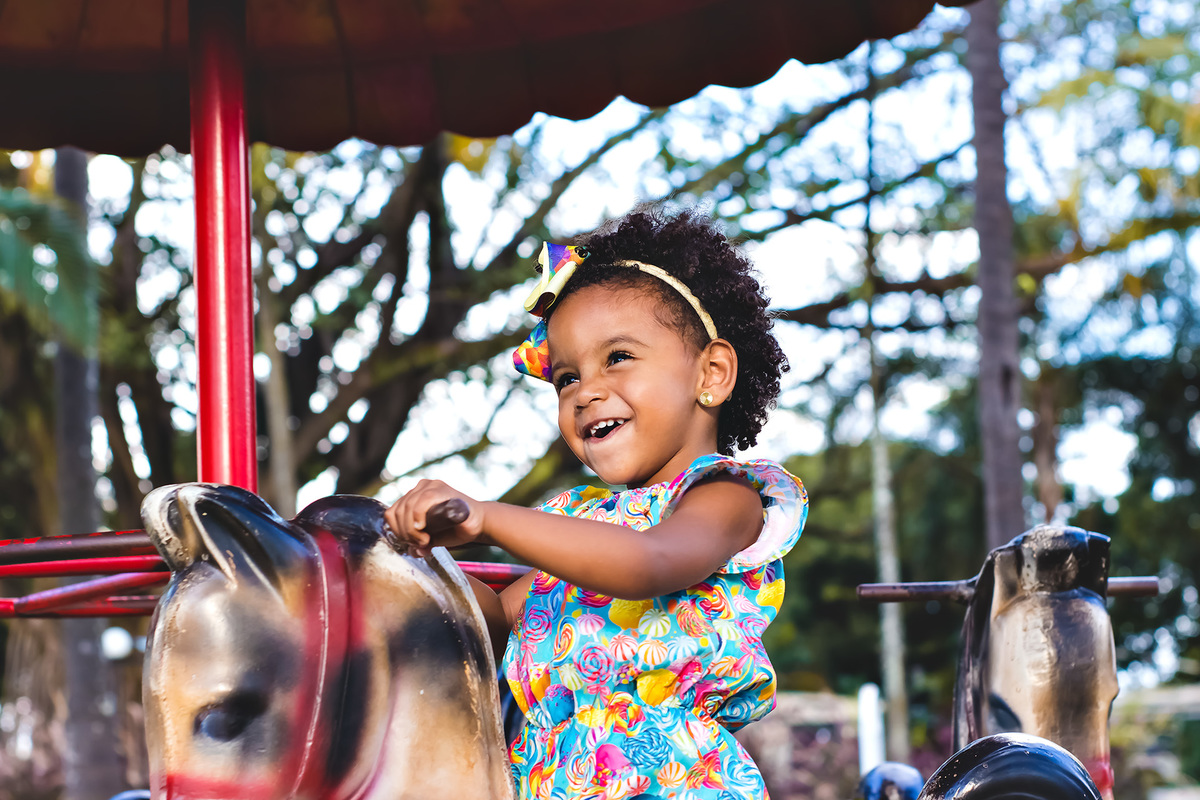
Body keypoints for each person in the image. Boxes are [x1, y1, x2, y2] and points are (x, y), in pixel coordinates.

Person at [385, 209, 807, 800]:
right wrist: (402, 565)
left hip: (670, 785)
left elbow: (646, 564)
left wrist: (487, 517)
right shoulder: (577, 522)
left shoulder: (725, 497)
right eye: (565, 379)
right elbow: (500, 619)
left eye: (618, 357)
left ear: (711, 372)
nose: (585, 391)